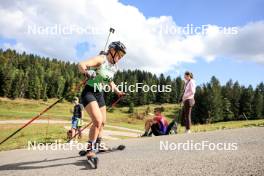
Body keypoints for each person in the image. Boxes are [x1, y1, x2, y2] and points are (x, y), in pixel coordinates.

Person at [78, 41, 126, 159]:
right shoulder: (101, 59)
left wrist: (118, 91)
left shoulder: (114, 67)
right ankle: (90, 149)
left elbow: (109, 81)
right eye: (119, 54)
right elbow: (81, 64)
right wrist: (86, 71)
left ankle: (98, 145)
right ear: (112, 51)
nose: (120, 57)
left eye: (122, 56)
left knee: (103, 122)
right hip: (89, 92)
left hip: (99, 93)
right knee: (97, 121)